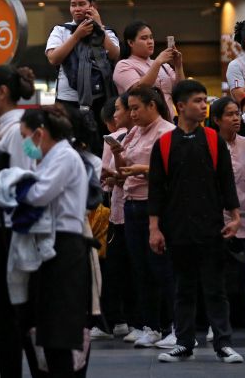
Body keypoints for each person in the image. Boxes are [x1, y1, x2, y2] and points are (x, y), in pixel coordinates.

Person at [146, 79, 243, 363]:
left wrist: (235, 217)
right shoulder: (163, 144)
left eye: (205, 100)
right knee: (183, 288)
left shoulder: (214, 140)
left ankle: (223, 343)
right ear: (180, 106)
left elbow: (227, 182)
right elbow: (156, 190)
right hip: (177, 229)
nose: (204, 105)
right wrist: (154, 228)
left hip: (212, 227)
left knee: (216, 288)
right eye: (199, 101)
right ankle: (184, 343)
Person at [15, 107, 91, 377]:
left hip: (65, 246)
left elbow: (39, 194)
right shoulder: (47, 158)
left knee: (60, 326)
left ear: (40, 133)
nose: (25, 144)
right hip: (49, 243)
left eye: (26, 136)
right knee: (46, 325)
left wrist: (16, 187)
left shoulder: (63, 156)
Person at [0, 64, 36, 378]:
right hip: (5, 229)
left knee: (5, 316)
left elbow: (21, 181)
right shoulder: (11, 127)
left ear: (2, 92)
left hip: (8, 231)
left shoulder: (17, 130)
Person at [119, 86, 176, 348]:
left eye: (135, 108)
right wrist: (117, 168)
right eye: (129, 108)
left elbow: (171, 171)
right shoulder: (134, 132)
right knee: (140, 270)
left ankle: (176, 327)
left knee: (163, 269)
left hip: (156, 206)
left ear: (152, 105)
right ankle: (150, 326)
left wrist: (142, 169)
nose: (131, 113)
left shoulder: (167, 132)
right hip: (131, 204)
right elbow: (124, 167)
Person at [209, 96, 245, 341]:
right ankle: (217, 323)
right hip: (215, 220)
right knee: (217, 275)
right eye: (230, 114)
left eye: (237, 114)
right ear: (216, 119)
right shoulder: (208, 145)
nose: (236, 118)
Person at [45, 0, 120, 149]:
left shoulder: (106, 31)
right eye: (73, 5)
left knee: (98, 145)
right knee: (68, 144)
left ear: (93, 6)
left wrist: (99, 27)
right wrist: (76, 35)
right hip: (67, 100)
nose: (77, 9)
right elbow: (53, 58)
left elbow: (114, 54)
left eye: (82, 4)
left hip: (99, 99)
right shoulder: (61, 30)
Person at [97, 96, 136, 341]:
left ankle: (118, 319)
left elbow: (107, 176)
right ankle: (133, 320)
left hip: (122, 210)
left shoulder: (117, 137)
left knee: (116, 268)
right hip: (129, 208)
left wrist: (112, 177)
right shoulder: (138, 134)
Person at [112, 20, 184, 112]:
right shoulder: (123, 65)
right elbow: (138, 91)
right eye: (144, 38)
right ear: (130, 43)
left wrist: (178, 65)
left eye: (151, 37)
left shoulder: (164, 65)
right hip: (142, 122)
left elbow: (182, 90)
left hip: (169, 122)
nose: (150, 42)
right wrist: (157, 63)